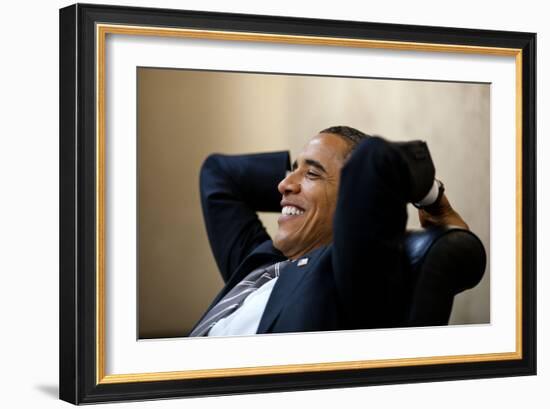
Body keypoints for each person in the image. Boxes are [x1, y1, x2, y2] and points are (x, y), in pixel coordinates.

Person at [188, 126, 468, 337]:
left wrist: (431, 198)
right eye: (291, 171)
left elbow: (375, 159)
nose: (282, 185)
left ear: (352, 201)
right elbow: (218, 173)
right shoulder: (261, 262)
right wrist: (301, 179)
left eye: (313, 173)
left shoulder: (346, 277)